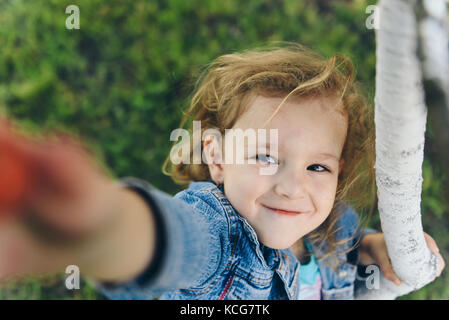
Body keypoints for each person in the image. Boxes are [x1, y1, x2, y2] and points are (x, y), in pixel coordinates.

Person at [0, 43, 444, 300]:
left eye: (317, 167)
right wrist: (105, 228)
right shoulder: (220, 235)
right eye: (265, 157)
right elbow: (173, 239)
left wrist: (370, 246)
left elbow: (350, 238)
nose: (294, 187)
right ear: (216, 156)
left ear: (338, 170)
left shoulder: (331, 225)